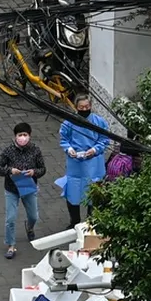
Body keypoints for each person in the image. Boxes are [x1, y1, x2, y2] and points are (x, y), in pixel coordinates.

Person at [0, 122, 46, 260]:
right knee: (10, 219)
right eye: (20, 135)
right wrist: (10, 170)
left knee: (33, 216)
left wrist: (34, 172)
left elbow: (42, 169)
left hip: (29, 188)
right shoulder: (8, 151)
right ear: (15, 136)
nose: (22, 137)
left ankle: (29, 227)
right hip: (12, 189)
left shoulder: (35, 150)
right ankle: (11, 245)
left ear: (30, 136)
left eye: (25, 135)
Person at [58, 94, 110, 227]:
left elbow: (104, 140)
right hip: (75, 165)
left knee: (94, 195)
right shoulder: (69, 123)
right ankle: (74, 221)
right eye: (81, 107)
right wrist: (69, 149)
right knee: (72, 194)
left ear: (91, 106)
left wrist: (94, 150)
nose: (84, 109)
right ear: (76, 108)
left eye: (87, 106)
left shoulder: (99, 122)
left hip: (94, 166)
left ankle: (90, 222)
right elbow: (64, 139)